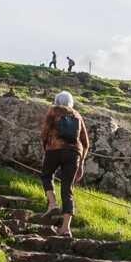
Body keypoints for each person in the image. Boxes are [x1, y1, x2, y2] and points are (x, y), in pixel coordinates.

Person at [40, 91, 89, 237]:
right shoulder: (77, 115)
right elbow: (86, 143)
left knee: (47, 175)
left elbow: (44, 133)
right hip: (74, 154)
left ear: (57, 100)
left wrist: (45, 148)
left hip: (54, 149)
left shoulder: (53, 111)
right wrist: (81, 163)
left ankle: (53, 204)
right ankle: (65, 229)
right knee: (67, 190)